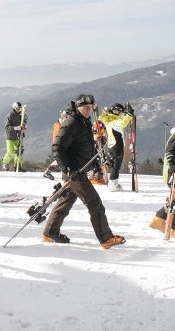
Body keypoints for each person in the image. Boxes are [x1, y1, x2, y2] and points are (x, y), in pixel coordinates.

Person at [42, 94, 126, 249]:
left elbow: (84, 147)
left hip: (78, 170)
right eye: (85, 108)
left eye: (90, 107)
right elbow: (57, 148)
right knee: (95, 203)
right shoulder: (72, 122)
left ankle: (50, 232)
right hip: (74, 172)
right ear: (78, 107)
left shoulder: (84, 121)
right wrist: (67, 168)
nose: (88, 110)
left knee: (65, 202)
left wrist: (95, 164)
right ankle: (106, 238)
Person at [99, 103, 134, 191]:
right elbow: (122, 123)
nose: (121, 114)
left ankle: (112, 181)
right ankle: (113, 183)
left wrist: (127, 115)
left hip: (112, 145)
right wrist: (129, 115)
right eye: (120, 112)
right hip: (117, 145)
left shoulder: (110, 119)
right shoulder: (113, 121)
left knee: (115, 164)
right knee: (116, 165)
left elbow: (122, 120)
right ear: (116, 112)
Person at [2, 102, 27, 172]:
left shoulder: (19, 116)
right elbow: (7, 127)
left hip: (17, 136)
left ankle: (18, 166)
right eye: (18, 109)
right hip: (10, 136)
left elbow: (23, 123)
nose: (19, 110)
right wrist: (16, 128)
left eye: (20, 109)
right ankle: (5, 162)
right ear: (15, 108)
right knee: (10, 152)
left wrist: (24, 126)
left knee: (19, 151)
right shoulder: (10, 116)